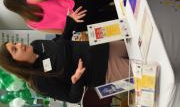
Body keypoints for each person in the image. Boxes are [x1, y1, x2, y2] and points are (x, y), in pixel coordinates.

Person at [0, 13, 130, 103]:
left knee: (141, 46)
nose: (20, 44)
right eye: (15, 49)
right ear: (15, 63)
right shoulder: (38, 82)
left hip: (103, 48)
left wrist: (70, 21)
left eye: (15, 43)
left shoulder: (36, 44)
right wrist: (76, 80)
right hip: (104, 70)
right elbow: (72, 97)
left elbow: (61, 42)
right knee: (146, 67)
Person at [3, 0, 117, 34]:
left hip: (77, 24)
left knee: (115, 17)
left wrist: (73, 23)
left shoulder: (30, 24)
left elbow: (60, 31)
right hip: (78, 8)